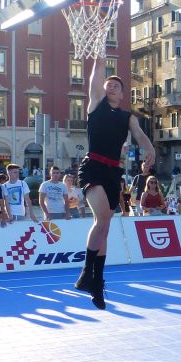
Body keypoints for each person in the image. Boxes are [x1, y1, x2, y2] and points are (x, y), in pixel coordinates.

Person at [75, 56, 155, 309]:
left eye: (116, 86)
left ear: (122, 94)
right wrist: (99, 60)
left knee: (105, 226)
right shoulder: (95, 105)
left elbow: (139, 135)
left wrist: (150, 149)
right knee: (102, 218)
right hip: (93, 167)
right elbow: (96, 77)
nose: (110, 87)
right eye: (108, 84)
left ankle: (97, 282)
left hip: (113, 173)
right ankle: (87, 273)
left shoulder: (127, 117)